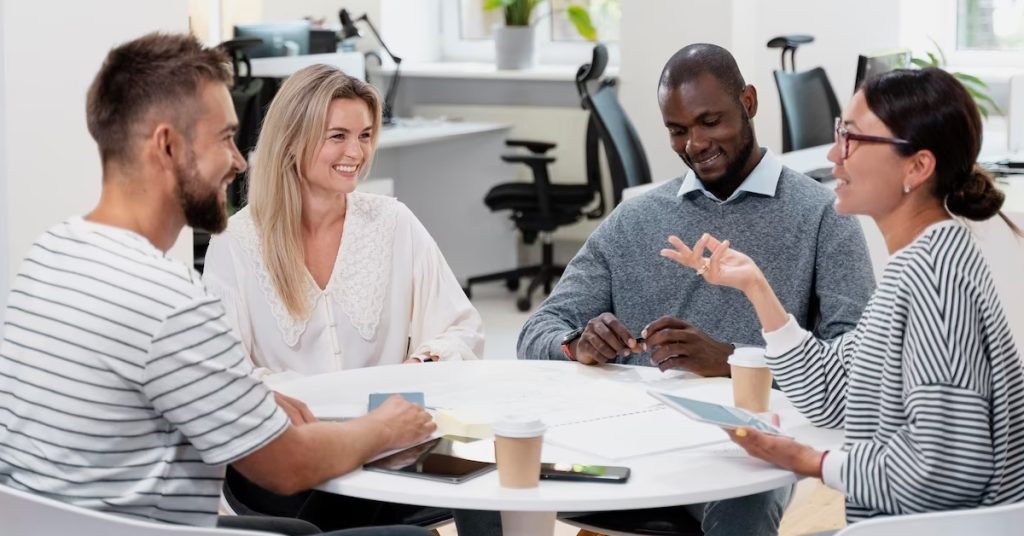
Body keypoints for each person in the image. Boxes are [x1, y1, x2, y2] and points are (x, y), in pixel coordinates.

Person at [0, 32, 433, 536]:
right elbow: (286, 467)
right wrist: (384, 427)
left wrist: (248, 398)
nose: (240, 160)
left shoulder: (53, 255)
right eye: (226, 137)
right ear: (167, 145)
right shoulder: (170, 301)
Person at [517, 43, 876, 535]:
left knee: (742, 505)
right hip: (630, 439)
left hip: (746, 446)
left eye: (711, 122)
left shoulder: (822, 217)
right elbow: (536, 331)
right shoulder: (636, 218)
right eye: (677, 130)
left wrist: (730, 361)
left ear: (749, 102)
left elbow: (855, 367)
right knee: (499, 471)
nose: (694, 144)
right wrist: (575, 344)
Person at [662, 67, 1024, 525]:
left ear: (917, 166)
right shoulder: (921, 263)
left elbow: (947, 469)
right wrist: (758, 289)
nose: (834, 156)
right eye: (839, 134)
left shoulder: (932, 279)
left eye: (852, 139)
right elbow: (833, 392)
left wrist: (810, 462)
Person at [200, 64, 495, 533]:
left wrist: (419, 368)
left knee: (487, 472)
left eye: (364, 135)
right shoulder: (236, 242)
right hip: (285, 455)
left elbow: (461, 328)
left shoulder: (393, 223)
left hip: (390, 446)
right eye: (336, 135)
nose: (355, 152)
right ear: (293, 139)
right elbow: (223, 371)